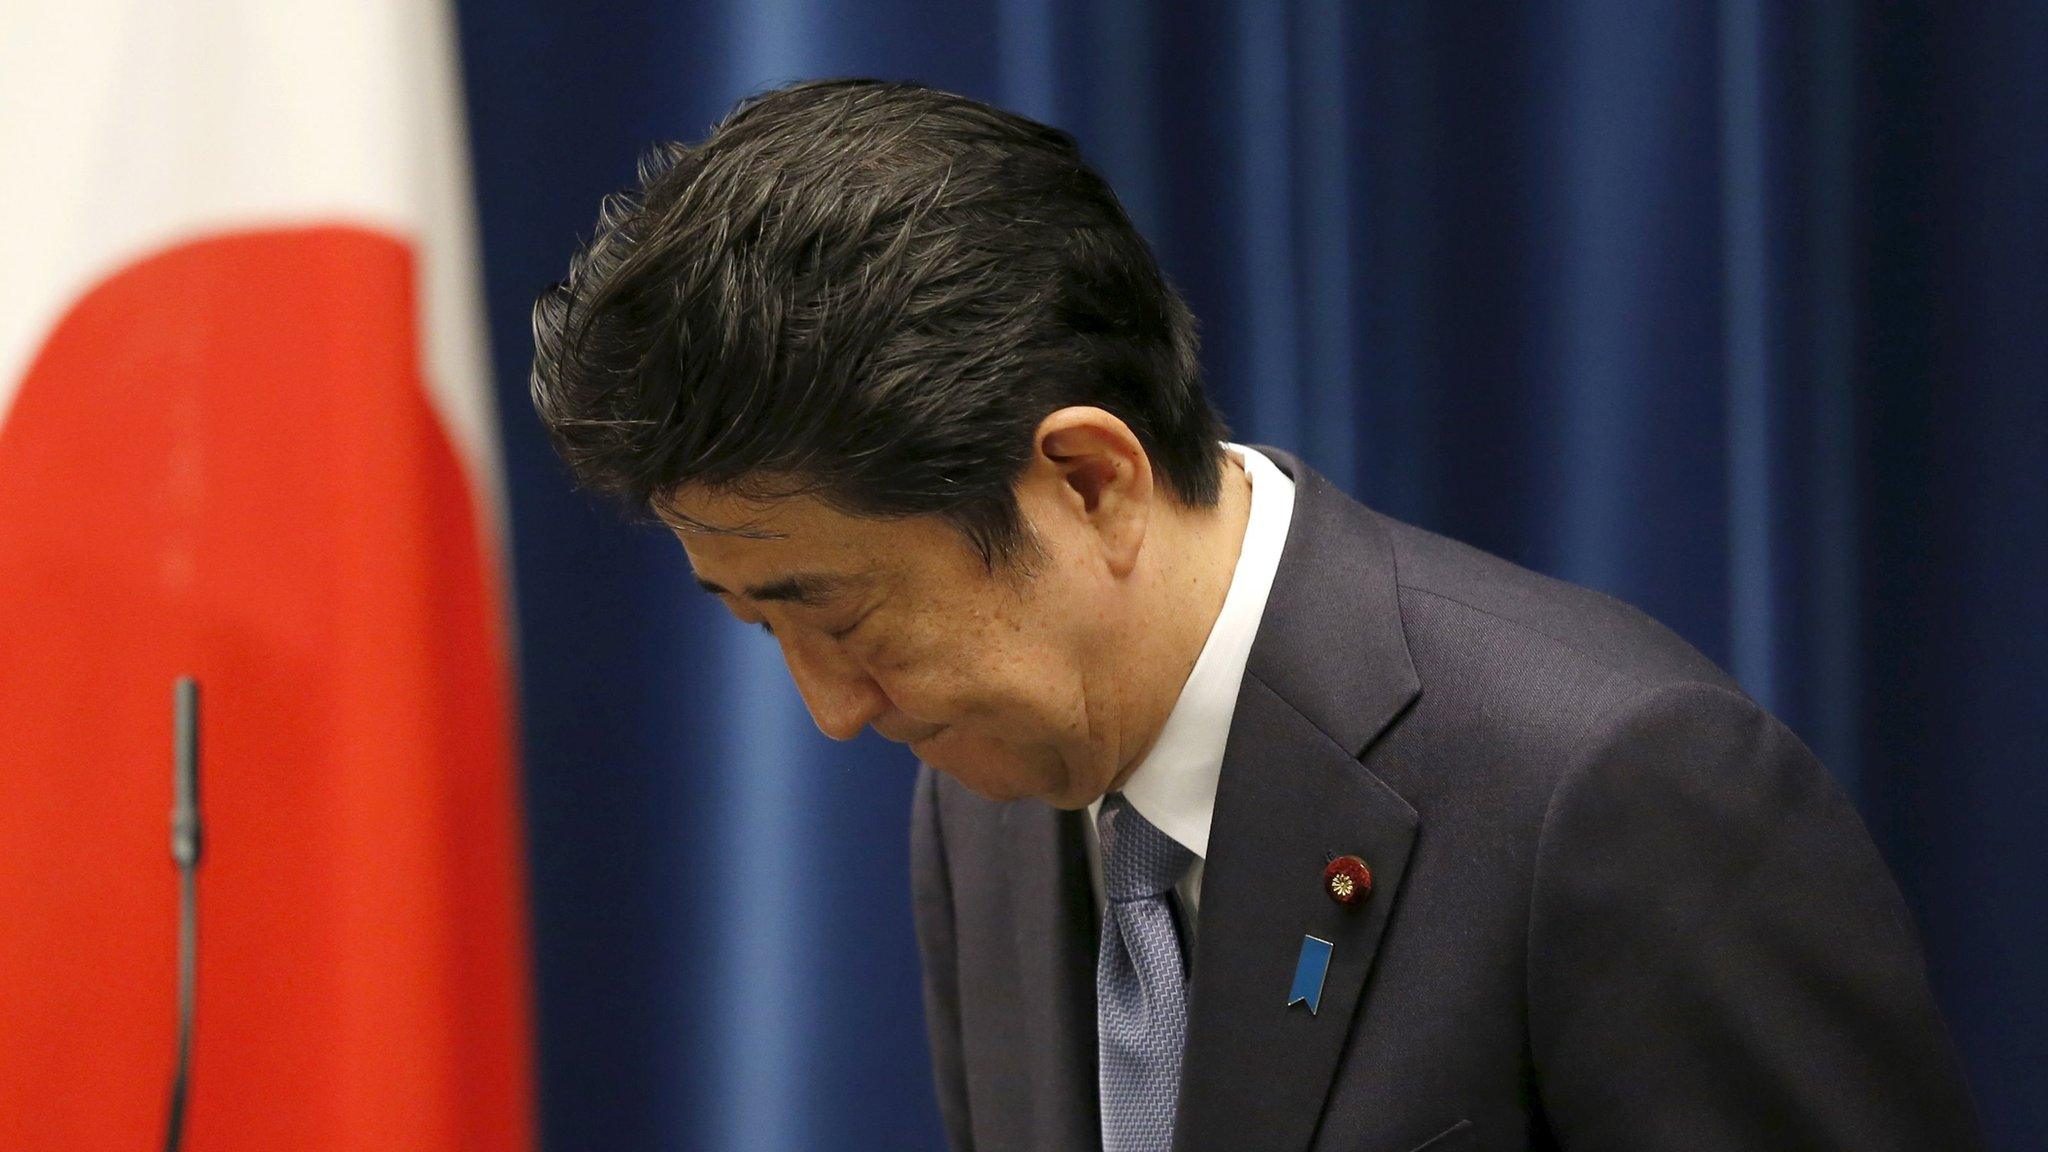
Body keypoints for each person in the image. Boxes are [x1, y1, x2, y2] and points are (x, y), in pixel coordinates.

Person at [529, 79, 1984, 1152]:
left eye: (837, 613)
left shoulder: (1613, 789)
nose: (833, 709)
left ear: (1088, 482)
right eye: (750, 624)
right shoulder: (984, 803)